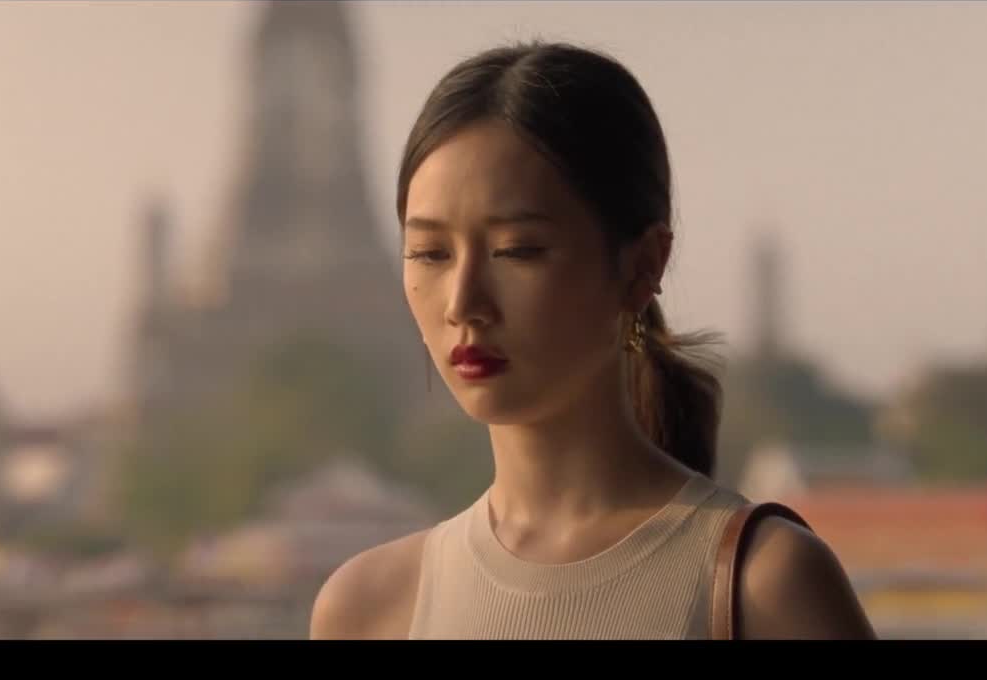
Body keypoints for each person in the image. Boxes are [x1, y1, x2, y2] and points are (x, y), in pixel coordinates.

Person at [309, 41, 876, 640]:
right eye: (430, 253)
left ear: (642, 266)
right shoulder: (368, 609)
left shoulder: (763, 585)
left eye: (517, 251)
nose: (462, 303)